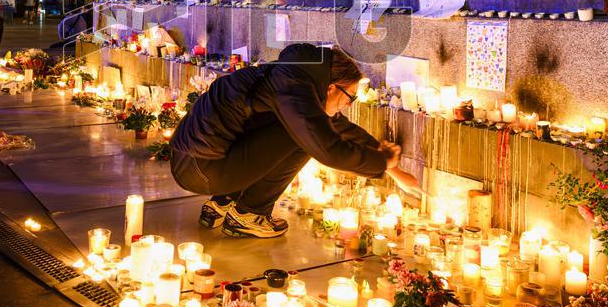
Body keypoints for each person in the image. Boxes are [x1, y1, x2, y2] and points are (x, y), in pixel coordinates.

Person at [170, 44, 421, 238]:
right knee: (304, 137)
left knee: (302, 129)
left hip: (192, 162)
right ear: (332, 87)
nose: (348, 104)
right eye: (350, 97)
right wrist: (381, 162)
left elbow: (334, 124)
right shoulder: (293, 88)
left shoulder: (292, 78)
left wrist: (390, 166)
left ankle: (223, 201)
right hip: (203, 169)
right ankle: (250, 213)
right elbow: (327, 149)